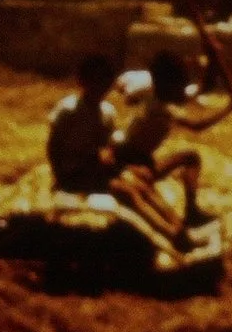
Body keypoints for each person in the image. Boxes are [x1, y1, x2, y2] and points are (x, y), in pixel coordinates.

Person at [45, 51, 188, 243]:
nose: (100, 87)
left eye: (104, 82)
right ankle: (168, 233)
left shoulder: (107, 112)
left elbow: (107, 145)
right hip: (73, 173)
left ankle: (177, 223)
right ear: (82, 81)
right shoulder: (68, 109)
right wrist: (60, 175)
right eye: (94, 81)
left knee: (141, 183)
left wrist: (109, 155)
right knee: (128, 191)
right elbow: (54, 145)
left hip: (96, 169)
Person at [107, 47, 232, 228]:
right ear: (167, 85)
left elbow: (199, 90)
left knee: (191, 158)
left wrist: (212, 65)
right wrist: (229, 108)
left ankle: (192, 211)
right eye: (180, 84)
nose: (182, 90)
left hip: (143, 161)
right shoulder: (161, 108)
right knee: (153, 194)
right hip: (128, 163)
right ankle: (177, 225)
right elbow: (196, 125)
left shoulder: (161, 97)